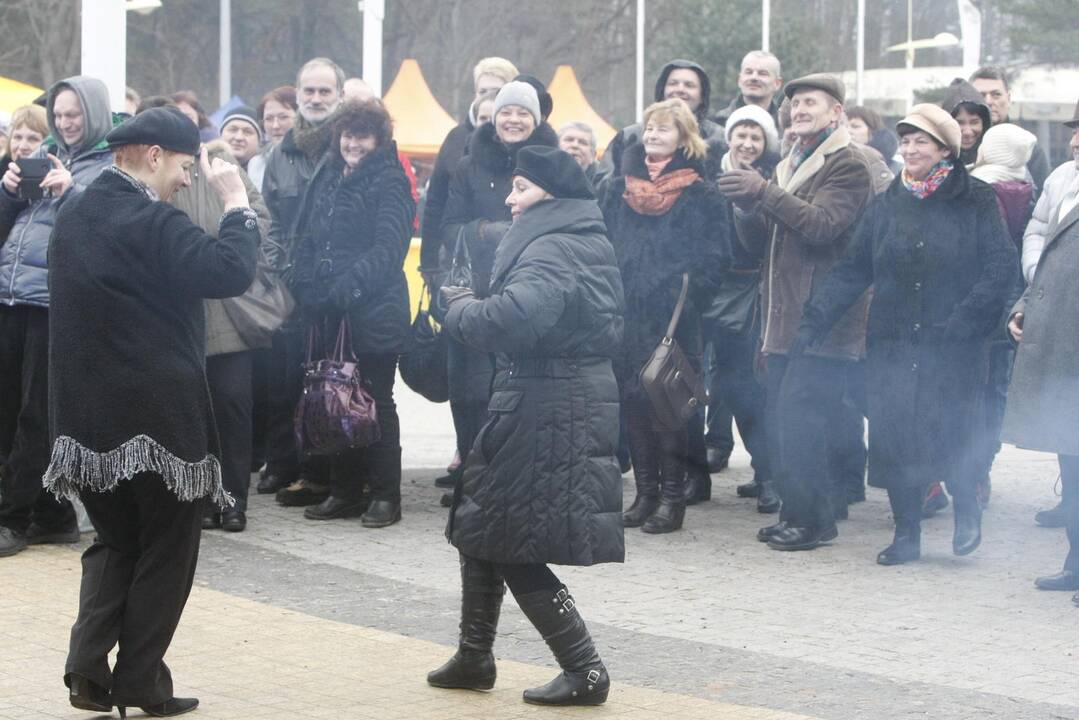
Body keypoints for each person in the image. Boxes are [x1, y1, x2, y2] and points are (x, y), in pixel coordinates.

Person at [45, 106, 259, 718]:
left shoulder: (77, 211)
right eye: (187, 166)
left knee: (115, 541)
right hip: (157, 416)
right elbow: (231, 270)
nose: (189, 180)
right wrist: (237, 200)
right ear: (154, 154)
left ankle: (88, 669)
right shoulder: (147, 219)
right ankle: (139, 682)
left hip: (85, 419)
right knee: (168, 548)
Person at [429, 146, 624, 706]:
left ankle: (584, 668)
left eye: (520, 188)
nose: (510, 200)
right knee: (480, 522)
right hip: (542, 397)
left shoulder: (554, 248)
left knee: (515, 539)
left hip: (550, 403)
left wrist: (460, 304)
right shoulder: (567, 240)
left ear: (550, 196)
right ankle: (474, 655)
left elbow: (511, 320)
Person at [795, 104, 1017, 565]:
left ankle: (967, 509)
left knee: (953, 429)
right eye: (906, 140)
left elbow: (999, 269)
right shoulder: (887, 203)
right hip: (893, 341)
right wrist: (815, 319)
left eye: (922, 141)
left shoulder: (974, 198)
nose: (911, 149)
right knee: (895, 434)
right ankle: (906, 532)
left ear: (944, 150)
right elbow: (854, 268)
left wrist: (963, 322)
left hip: (954, 343)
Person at [720, 74, 873, 551]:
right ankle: (798, 511)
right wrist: (747, 207)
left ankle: (815, 521)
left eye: (811, 102)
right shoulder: (790, 163)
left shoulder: (850, 165)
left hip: (824, 321)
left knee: (804, 420)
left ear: (836, 113)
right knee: (786, 421)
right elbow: (759, 245)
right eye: (795, 103)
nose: (799, 109)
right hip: (783, 319)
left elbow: (824, 226)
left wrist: (763, 192)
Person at [0, 77, 115, 558]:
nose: (66, 123)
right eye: (60, 115)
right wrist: (8, 192)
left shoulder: (106, 168)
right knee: (12, 411)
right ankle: (54, 515)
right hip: (13, 298)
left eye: (74, 114)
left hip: (58, 306)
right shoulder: (46, 158)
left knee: (34, 414)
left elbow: (108, 233)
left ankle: (13, 518)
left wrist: (71, 193)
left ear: (93, 114)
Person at [286, 100, 414, 528]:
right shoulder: (328, 174)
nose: (352, 144)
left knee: (376, 399)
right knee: (334, 396)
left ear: (377, 140)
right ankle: (344, 490)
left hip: (373, 310)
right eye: (347, 135)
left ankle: (384, 494)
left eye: (362, 136)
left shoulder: (391, 180)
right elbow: (306, 236)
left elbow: (388, 249)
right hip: (328, 309)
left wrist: (347, 288)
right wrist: (304, 281)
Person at [603, 98, 729, 534]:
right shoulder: (617, 188)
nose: (653, 135)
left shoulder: (701, 192)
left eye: (664, 129)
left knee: (668, 409)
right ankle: (645, 494)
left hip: (673, 319)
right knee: (634, 406)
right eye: (649, 128)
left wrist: (689, 298)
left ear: (684, 137)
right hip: (626, 315)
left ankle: (672, 500)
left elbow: (717, 259)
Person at [438, 81, 559, 498]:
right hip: (476, 290)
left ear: (536, 119)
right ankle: (473, 474)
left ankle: (514, 478)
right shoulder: (467, 164)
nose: (513, 120)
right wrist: (491, 231)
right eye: (506, 112)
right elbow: (448, 225)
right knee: (469, 389)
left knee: (518, 389)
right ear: (493, 116)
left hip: (528, 289)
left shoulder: (552, 163)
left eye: (522, 113)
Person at [259, 57, 345, 504]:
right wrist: (274, 273)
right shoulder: (281, 153)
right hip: (290, 283)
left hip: (332, 285)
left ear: (339, 96)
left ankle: (324, 473)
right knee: (284, 379)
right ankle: (284, 463)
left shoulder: (347, 145)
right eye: (308, 91)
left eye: (324, 92)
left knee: (329, 382)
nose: (315, 99)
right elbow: (270, 219)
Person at [1004, 105, 1079, 605]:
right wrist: (1027, 301)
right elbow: (1045, 245)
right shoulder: (1064, 180)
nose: (1074, 144)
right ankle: (1075, 561)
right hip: (1062, 343)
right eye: (1075, 134)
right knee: (1070, 458)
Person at [703, 104, 780, 512]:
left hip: (754, 293)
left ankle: (769, 474)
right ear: (729, 137)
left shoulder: (772, 179)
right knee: (727, 384)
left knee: (751, 388)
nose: (748, 143)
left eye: (756, 136)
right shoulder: (709, 176)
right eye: (741, 134)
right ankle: (764, 470)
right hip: (714, 289)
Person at [419, 56, 518, 296]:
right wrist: (429, 264)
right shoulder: (455, 138)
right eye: (482, 90)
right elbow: (435, 202)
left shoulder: (524, 144)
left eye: (497, 91)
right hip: (458, 257)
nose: (488, 97)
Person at [596, 59, 726, 188]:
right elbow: (601, 184)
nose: (680, 89)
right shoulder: (630, 136)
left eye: (689, 85)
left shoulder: (719, 137)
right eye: (673, 83)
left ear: (702, 96)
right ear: (662, 90)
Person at [969, 66, 1050, 194]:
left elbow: (1042, 198)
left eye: (996, 94)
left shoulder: (1027, 146)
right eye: (981, 95)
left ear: (1009, 98)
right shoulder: (960, 143)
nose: (988, 101)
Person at [714, 50, 783, 128]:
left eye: (762, 73)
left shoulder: (785, 125)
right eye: (748, 72)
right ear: (739, 80)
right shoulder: (720, 122)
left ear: (777, 83)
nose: (754, 77)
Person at [941, 78, 990, 168]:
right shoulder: (930, 166)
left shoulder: (998, 162)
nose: (968, 132)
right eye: (960, 123)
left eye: (974, 122)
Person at [219, 105, 264, 186]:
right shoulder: (203, 168)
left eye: (247, 132)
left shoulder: (267, 173)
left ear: (259, 141)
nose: (239, 137)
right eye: (233, 130)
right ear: (220, 135)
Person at [0, 105, 47, 169]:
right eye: (17, 137)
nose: (22, 147)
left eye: (32, 139)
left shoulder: (61, 174)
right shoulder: (4, 173)